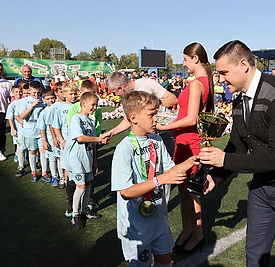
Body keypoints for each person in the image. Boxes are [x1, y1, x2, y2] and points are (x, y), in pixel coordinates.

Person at [199, 40, 275, 266]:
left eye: (224, 72)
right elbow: (237, 145)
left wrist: (224, 159)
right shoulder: (239, 100)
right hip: (262, 186)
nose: (220, 79)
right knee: (255, 252)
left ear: (244, 64)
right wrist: (215, 177)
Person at [111, 90, 197, 266]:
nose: (156, 118)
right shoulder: (124, 149)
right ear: (133, 118)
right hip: (136, 227)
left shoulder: (156, 141)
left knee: (165, 261)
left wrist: (192, 161)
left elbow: (172, 170)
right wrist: (160, 180)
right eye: (151, 114)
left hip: (159, 220)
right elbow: (126, 192)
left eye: (156, 113)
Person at [156, 42, 214, 254]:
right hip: (183, 140)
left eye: (186, 59)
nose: (184, 63)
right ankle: (188, 230)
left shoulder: (198, 83)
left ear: (195, 59)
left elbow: (191, 118)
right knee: (182, 189)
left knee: (191, 191)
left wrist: (165, 125)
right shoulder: (200, 81)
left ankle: (197, 234)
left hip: (190, 141)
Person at [102, 71, 178, 156]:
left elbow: (173, 99)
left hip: (164, 135)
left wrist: (153, 103)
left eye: (114, 92)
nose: (114, 95)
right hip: (146, 139)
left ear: (121, 88)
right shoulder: (125, 98)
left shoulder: (146, 83)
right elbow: (128, 120)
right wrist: (111, 133)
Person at [63, 92, 104, 229]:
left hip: (88, 158)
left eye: (96, 105)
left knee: (88, 185)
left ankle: (85, 210)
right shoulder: (76, 119)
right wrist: (99, 139)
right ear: (83, 103)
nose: (94, 107)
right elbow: (80, 138)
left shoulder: (91, 121)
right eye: (93, 104)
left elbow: (92, 144)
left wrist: (95, 162)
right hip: (76, 159)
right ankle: (75, 214)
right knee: (80, 187)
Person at [18, 81, 47, 182]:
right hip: (29, 131)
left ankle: (44, 172)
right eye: (34, 93)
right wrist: (32, 106)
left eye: (38, 92)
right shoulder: (24, 101)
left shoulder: (43, 100)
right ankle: (33, 171)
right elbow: (22, 116)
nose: (36, 95)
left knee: (43, 151)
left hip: (41, 131)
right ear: (29, 91)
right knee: (32, 151)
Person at [5, 84, 25, 177]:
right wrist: (13, 129)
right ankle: (20, 166)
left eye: (20, 91)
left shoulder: (25, 102)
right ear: (13, 93)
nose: (19, 93)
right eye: (16, 92)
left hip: (27, 129)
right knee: (20, 147)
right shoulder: (12, 105)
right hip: (18, 129)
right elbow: (10, 118)